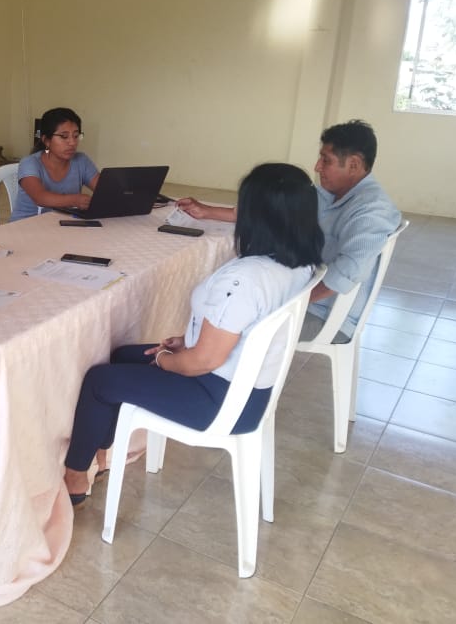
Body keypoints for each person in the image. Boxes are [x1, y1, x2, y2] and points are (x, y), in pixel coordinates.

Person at [63, 163, 322, 505]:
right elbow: (237, 331)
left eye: (242, 205)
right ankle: (102, 449)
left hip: (217, 399)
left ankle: (75, 477)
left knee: (99, 381)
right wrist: (187, 340)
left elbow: (202, 361)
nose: (237, 212)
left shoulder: (245, 279)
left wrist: (165, 359)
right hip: (249, 388)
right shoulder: (300, 263)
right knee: (123, 355)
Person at [176, 119, 401, 342]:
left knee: (226, 323)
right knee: (222, 310)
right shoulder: (331, 194)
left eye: (326, 160)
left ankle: (195, 356)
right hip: (305, 297)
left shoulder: (372, 211)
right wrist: (206, 211)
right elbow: (269, 211)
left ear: (353, 164)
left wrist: (285, 303)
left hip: (324, 317)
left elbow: (347, 272)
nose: (317, 167)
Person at [9, 107, 100, 221]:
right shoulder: (30, 163)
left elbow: (104, 190)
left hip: (62, 224)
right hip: (25, 225)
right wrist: (75, 200)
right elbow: (40, 197)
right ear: (47, 140)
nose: (72, 143)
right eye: (64, 136)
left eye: (76, 136)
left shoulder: (81, 160)